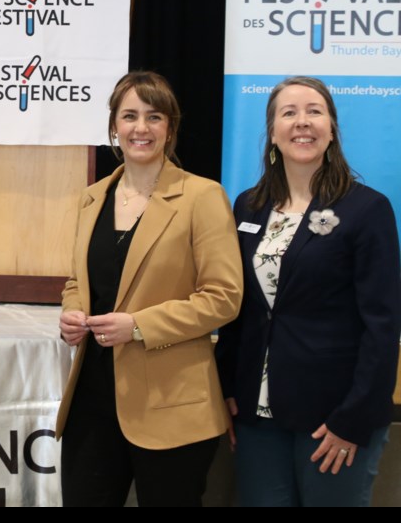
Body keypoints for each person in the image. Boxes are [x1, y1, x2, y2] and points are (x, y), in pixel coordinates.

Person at [56, 71, 243, 507]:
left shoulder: (202, 196)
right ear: (114, 128)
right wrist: (71, 313)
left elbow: (223, 297)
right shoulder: (92, 198)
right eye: (130, 116)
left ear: (170, 128)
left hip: (172, 405)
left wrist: (138, 325)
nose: (141, 128)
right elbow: (76, 281)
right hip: (92, 400)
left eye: (154, 117)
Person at [216, 76, 401, 507]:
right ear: (273, 132)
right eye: (289, 113)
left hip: (334, 418)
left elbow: (382, 324)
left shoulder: (367, 209)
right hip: (257, 413)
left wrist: (353, 419)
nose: (303, 122)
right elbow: (238, 307)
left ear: (332, 129)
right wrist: (226, 386)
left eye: (314, 111)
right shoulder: (249, 206)